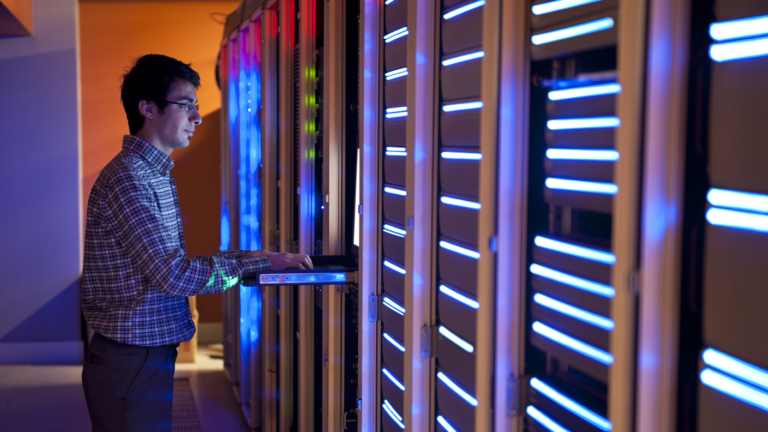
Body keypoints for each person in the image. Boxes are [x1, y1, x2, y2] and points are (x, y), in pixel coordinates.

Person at [80, 54, 312, 432]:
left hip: (140, 358)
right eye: (186, 105)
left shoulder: (152, 172)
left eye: (197, 105)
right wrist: (256, 264)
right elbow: (173, 276)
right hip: (131, 361)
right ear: (148, 109)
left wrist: (257, 259)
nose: (197, 117)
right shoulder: (130, 180)